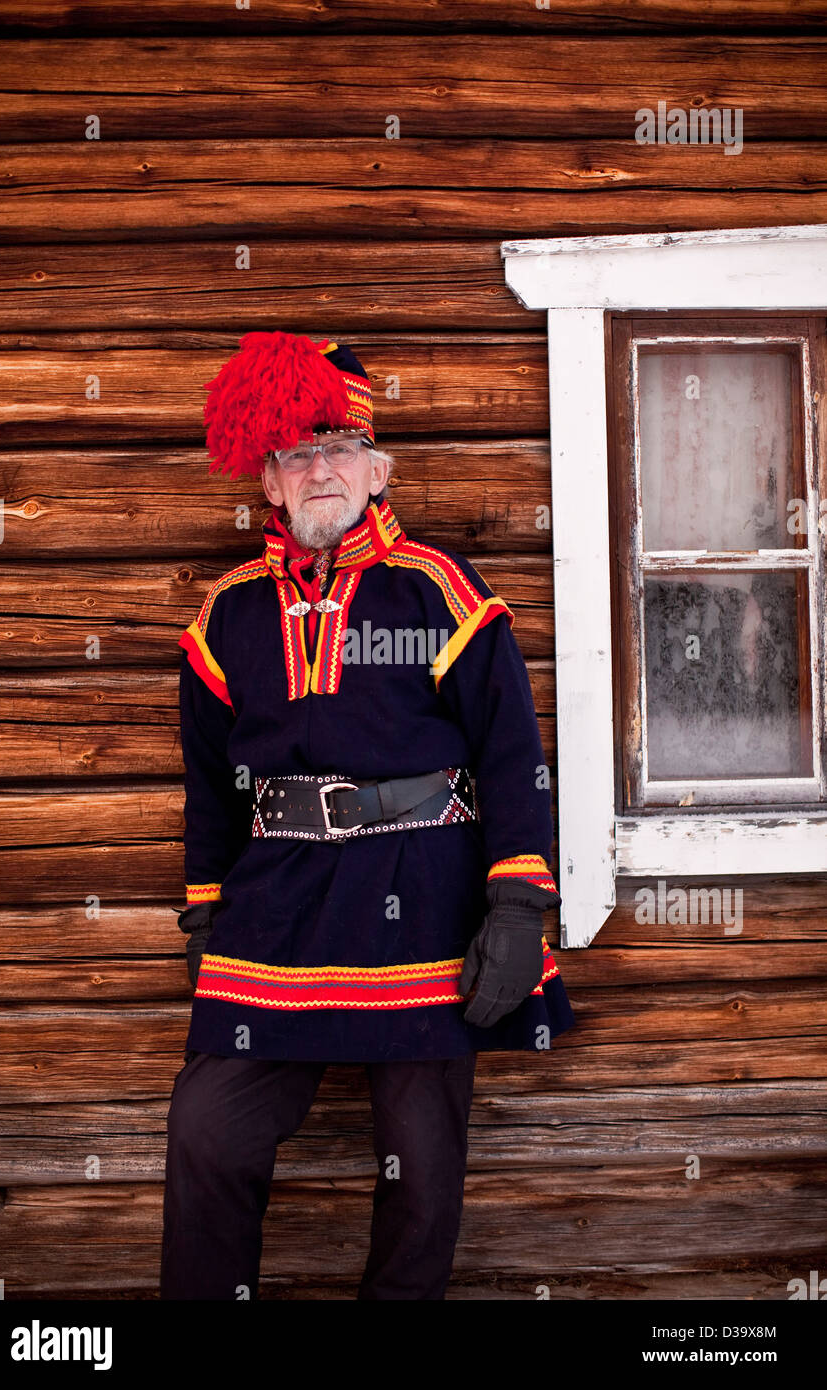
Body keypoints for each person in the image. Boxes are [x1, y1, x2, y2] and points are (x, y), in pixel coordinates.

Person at [159, 330, 575, 1301]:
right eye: (295, 454)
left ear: (375, 465)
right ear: (266, 481)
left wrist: (517, 907)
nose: (318, 470)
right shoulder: (224, 618)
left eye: (336, 445)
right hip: (277, 908)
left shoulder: (440, 590)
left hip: (424, 896)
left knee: (420, 1165)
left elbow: (513, 757)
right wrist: (204, 910)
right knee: (208, 1127)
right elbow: (209, 784)